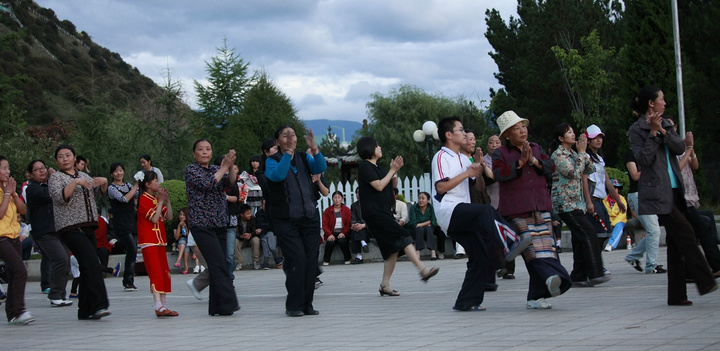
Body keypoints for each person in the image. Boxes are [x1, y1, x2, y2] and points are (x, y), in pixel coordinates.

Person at [629, 85, 717, 305]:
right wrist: (652, 133)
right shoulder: (636, 130)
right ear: (652, 103)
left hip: (676, 189)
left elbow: (679, 148)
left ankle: (677, 296)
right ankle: (705, 279)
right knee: (686, 232)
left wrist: (663, 131)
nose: (665, 103)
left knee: (677, 243)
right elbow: (644, 159)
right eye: (662, 99)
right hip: (657, 192)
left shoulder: (667, 123)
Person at [431, 116, 529, 311]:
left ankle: (467, 302)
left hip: (462, 211)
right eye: (460, 130)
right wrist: (467, 173)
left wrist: (479, 170)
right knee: (486, 211)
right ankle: (511, 241)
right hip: (449, 210)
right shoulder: (441, 157)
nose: (464, 133)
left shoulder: (463, 158)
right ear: (449, 135)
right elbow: (441, 187)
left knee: (480, 255)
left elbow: (480, 187)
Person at [492, 111, 571, 309]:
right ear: (507, 134)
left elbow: (550, 167)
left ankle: (535, 296)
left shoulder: (536, 147)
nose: (522, 131)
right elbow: (498, 174)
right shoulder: (500, 153)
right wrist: (519, 163)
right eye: (516, 128)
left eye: (523, 127)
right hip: (517, 209)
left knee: (546, 248)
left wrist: (533, 161)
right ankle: (554, 277)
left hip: (541, 205)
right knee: (531, 249)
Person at [357, 136, 439, 298]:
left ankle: (384, 285)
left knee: (392, 250)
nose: (380, 147)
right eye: (377, 145)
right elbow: (379, 186)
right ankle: (422, 270)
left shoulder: (378, 168)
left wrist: (394, 171)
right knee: (404, 236)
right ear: (369, 149)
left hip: (384, 212)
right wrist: (392, 171)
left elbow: (392, 186)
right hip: (375, 214)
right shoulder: (365, 167)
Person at [265, 126, 326, 316]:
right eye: (285, 135)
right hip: (286, 220)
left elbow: (320, 168)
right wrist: (288, 154)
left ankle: (307, 305)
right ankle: (293, 305)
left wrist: (314, 149)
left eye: (292, 134)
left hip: (309, 218)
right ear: (277, 141)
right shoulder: (271, 161)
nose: (290, 137)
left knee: (309, 261)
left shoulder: (303, 157)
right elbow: (278, 175)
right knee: (297, 259)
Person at [48, 145, 111, 320]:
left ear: (75, 158)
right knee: (92, 263)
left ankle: (85, 310)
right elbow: (60, 197)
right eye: (60, 156)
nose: (65, 159)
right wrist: (74, 183)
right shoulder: (56, 178)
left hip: (88, 225)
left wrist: (104, 182)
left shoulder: (84, 175)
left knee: (86, 266)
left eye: (68, 155)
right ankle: (100, 305)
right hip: (70, 227)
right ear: (56, 161)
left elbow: (99, 193)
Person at [184, 139, 240, 316]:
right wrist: (224, 167)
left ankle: (219, 306)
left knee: (221, 263)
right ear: (194, 153)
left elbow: (229, 184)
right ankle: (229, 301)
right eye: (200, 149)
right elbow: (208, 184)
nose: (205, 152)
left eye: (208, 149)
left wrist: (230, 167)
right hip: (202, 223)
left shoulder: (217, 169)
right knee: (217, 264)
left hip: (219, 222)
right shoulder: (191, 170)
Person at [549, 122, 610, 287]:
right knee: (588, 232)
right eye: (569, 132)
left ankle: (579, 275)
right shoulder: (558, 155)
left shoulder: (573, 154)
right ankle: (595, 273)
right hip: (565, 203)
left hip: (576, 203)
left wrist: (583, 154)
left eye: (573, 131)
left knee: (579, 238)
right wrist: (582, 153)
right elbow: (573, 173)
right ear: (561, 138)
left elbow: (589, 169)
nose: (573, 134)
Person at [670, 119, 720, 277]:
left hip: (689, 195)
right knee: (697, 230)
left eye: (673, 126)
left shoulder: (681, 145)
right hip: (680, 196)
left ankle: (694, 270)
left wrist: (691, 149)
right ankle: (710, 266)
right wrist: (688, 148)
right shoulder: (669, 147)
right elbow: (677, 168)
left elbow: (695, 165)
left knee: (699, 227)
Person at [25, 159, 73, 307]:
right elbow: (51, 195)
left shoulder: (48, 185)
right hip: (44, 232)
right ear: (31, 174)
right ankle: (54, 295)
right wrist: (54, 180)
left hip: (58, 229)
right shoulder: (32, 189)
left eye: (43, 167)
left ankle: (60, 294)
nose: (41, 171)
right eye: (37, 169)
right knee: (59, 258)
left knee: (65, 259)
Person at [136, 170, 177, 317]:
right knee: (156, 273)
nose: (158, 183)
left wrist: (167, 201)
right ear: (147, 184)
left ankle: (164, 305)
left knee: (165, 272)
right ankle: (157, 305)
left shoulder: (155, 199)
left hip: (160, 241)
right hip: (149, 241)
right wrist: (160, 202)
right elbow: (153, 219)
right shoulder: (143, 200)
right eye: (156, 181)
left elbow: (170, 216)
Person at [0, 155, 34, 325]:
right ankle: (19, 310)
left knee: (14, 273)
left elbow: (23, 209)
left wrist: (13, 194)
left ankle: (13, 314)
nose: (8, 171)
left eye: (8, 168)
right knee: (20, 271)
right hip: (1, 237)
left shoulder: (8, 188)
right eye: (4, 168)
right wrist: (6, 193)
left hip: (13, 236)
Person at [582, 124, 626, 257]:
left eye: (600, 137)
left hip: (601, 201)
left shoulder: (599, 159)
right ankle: (594, 264)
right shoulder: (585, 157)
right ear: (588, 140)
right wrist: (588, 202)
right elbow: (584, 180)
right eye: (595, 138)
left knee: (604, 233)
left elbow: (607, 181)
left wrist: (618, 201)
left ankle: (596, 264)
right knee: (597, 234)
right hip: (593, 200)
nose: (599, 140)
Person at [623, 148, 666, 274]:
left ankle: (633, 257)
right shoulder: (631, 153)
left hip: (648, 194)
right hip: (637, 195)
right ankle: (651, 265)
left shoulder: (648, 153)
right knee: (654, 231)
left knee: (654, 231)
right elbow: (635, 175)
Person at [108, 162, 139, 291]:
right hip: (121, 224)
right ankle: (127, 280)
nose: (119, 173)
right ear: (112, 174)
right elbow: (124, 199)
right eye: (116, 171)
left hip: (132, 222)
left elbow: (137, 196)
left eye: (121, 170)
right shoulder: (112, 188)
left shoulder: (128, 185)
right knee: (131, 249)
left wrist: (141, 185)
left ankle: (129, 280)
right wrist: (136, 187)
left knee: (133, 251)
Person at [407, 192, 440, 260]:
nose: (420, 200)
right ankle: (417, 252)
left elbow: (433, 222)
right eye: (419, 198)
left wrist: (420, 224)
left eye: (423, 198)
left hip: (428, 230)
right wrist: (428, 222)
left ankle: (433, 252)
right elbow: (413, 223)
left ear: (428, 200)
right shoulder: (413, 208)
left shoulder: (430, 207)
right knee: (420, 229)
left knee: (428, 228)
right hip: (415, 231)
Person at [322, 191, 352, 265]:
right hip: (332, 233)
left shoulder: (346, 210)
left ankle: (348, 258)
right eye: (335, 197)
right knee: (330, 242)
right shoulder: (328, 211)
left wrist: (343, 233)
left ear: (342, 199)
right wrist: (329, 234)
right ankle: (326, 260)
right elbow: (324, 224)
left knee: (342, 241)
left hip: (343, 233)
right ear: (332, 199)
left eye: (339, 197)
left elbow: (348, 224)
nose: (337, 199)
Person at [255, 200, 283, 269]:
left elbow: (273, 226)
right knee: (265, 239)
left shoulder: (273, 213)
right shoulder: (259, 214)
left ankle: (266, 261)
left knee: (267, 237)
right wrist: (264, 228)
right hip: (263, 234)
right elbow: (259, 224)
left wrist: (263, 228)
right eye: (264, 204)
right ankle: (276, 258)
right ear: (262, 205)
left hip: (272, 234)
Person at [603, 179, 629, 251]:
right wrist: (609, 223)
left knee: (619, 226)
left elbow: (622, 214)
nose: (614, 190)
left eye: (616, 188)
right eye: (613, 188)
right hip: (608, 222)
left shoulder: (622, 199)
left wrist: (613, 224)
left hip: (619, 221)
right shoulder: (604, 200)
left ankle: (610, 244)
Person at [235, 203, 262, 270]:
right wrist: (241, 236)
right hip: (241, 239)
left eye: (250, 213)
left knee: (256, 240)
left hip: (251, 238)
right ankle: (239, 262)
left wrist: (250, 234)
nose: (249, 215)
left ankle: (256, 261)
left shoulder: (253, 219)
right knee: (234, 242)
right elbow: (234, 232)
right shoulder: (236, 219)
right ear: (242, 214)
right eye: (247, 214)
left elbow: (255, 230)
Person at [173, 207, 191, 273]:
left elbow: (189, 237)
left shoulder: (189, 223)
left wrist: (186, 227)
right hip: (179, 243)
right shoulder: (176, 223)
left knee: (184, 243)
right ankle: (186, 268)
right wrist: (178, 226)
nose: (181, 216)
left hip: (189, 241)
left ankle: (178, 260)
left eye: (183, 215)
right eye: (180, 214)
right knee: (183, 242)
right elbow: (176, 237)